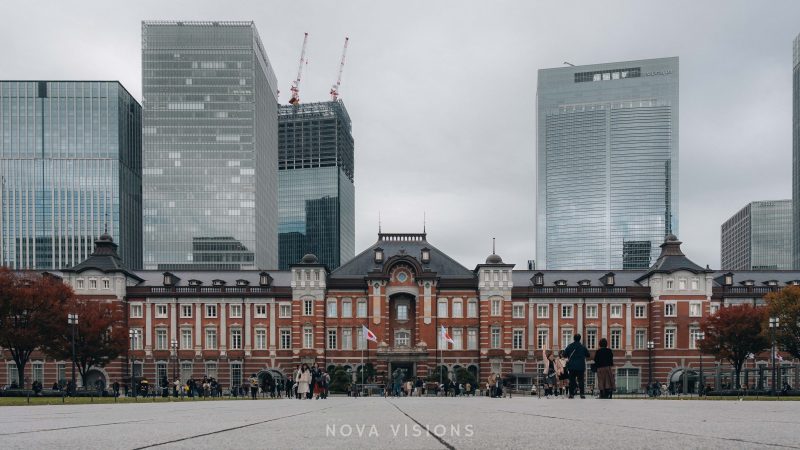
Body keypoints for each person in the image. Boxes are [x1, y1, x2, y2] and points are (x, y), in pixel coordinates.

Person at [562, 333, 590, 399]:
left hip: (571, 366)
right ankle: (582, 394)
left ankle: (571, 394)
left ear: (573, 339)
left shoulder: (570, 346)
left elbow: (564, 355)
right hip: (580, 366)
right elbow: (588, 355)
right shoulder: (582, 346)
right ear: (580, 339)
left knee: (571, 381)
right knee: (581, 380)